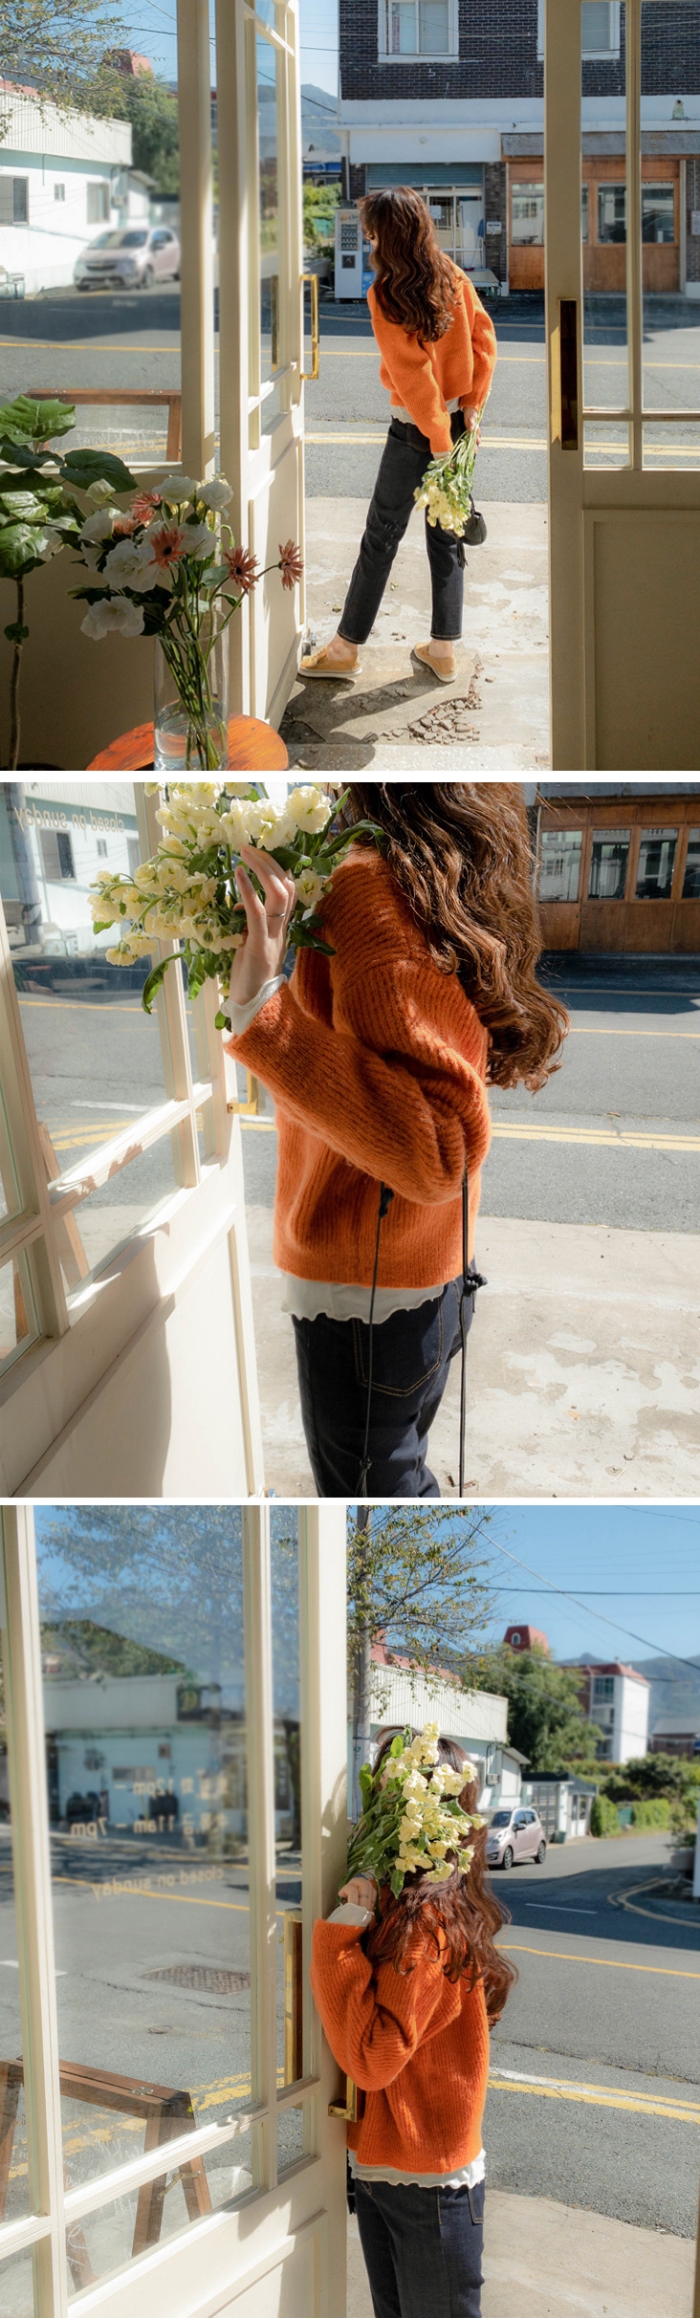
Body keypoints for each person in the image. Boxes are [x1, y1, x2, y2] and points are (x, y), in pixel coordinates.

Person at [225, 782, 568, 1499]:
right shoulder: (438, 876)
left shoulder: (369, 888)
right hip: (427, 1277)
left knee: (375, 1502)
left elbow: (437, 1149)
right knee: (396, 1484)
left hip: (366, 1299)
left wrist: (262, 1011)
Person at [310, 1730, 517, 2318]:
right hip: (392, 2168)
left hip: (426, 2183)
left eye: (389, 1794)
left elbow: (373, 2060)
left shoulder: (427, 1925)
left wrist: (340, 1938)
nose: (373, 1809)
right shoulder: (408, 1906)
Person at [299, 188, 497, 688]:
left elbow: (413, 377)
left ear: (388, 236)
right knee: (446, 536)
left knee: (381, 537)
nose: (368, 240)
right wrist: (471, 407)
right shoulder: (452, 275)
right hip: (457, 428)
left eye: (372, 232)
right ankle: (443, 651)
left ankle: (344, 650)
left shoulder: (387, 292)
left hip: (416, 433)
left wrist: (436, 440)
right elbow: (484, 340)